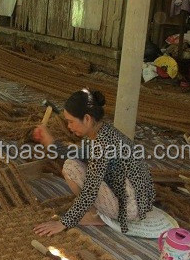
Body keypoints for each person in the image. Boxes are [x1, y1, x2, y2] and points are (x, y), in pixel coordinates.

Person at [32, 89, 155, 237]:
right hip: (140, 201)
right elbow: (81, 154)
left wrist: (63, 223)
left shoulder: (102, 144)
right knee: (75, 161)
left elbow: (90, 191)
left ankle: (96, 216)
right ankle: (101, 211)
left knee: (71, 167)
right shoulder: (104, 131)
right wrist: (51, 143)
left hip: (130, 208)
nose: (69, 126)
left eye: (71, 121)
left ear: (87, 119)